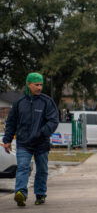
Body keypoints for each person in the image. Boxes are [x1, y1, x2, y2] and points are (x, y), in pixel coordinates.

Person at [2, 72, 59, 207]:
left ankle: (40, 195)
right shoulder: (19, 103)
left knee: (42, 170)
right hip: (24, 143)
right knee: (23, 167)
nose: (39, 87)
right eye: (36, 85)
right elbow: (11, 122)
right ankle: (21, 193)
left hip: (41, 143)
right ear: (29, 84)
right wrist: (7, 140)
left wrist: (42, 133)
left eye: (41, 85)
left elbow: (53, 121)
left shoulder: (47, 101)